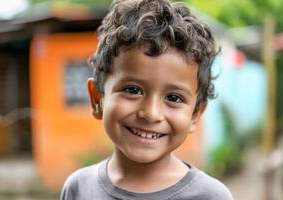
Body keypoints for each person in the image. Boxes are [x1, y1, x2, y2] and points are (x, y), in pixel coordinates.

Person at [61, 0, 234, 199]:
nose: (151, 114)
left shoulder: (210, 196)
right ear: (97, 98)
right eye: (133, 90)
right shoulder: (78, 189)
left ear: (195, 114)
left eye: (173, 98)